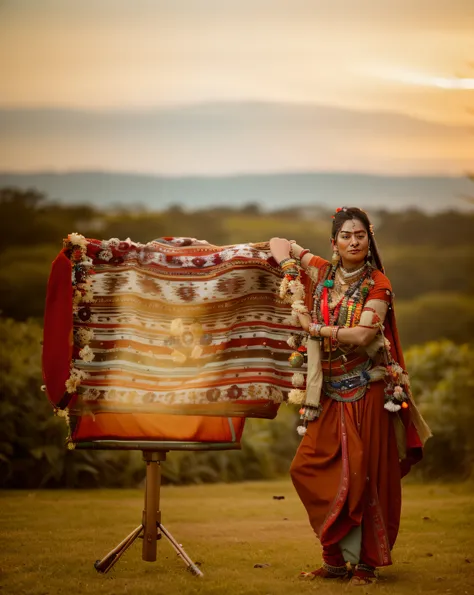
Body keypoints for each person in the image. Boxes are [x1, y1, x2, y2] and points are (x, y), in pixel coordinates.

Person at [269, 207, 431, 586]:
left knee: (365, 479)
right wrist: (290, 269)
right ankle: (334, 561)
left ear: (368, 240)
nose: (354, 241)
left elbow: (361, 336)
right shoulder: (323, 273)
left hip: (367, 390)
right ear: (335, 242)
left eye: (360, 235)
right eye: (346, 235)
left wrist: (315, 328)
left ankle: (365, 566)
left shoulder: (378, 283)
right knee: (307, 468)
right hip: (327, 393)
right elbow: (280, 244)